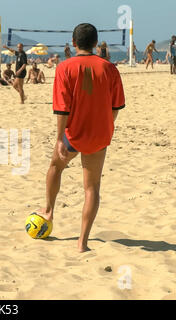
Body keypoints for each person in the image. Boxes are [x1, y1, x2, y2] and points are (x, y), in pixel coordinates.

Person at [36, 23, 125, 253]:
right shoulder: (110, 68)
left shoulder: (64, 68)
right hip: (99, 135)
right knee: (92, 188)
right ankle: (82, 243)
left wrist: (58, 140)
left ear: (73, 43)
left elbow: (62, 109)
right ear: (96, 43)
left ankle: (48, 211)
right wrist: (106, 124)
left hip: (72, 134)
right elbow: (116, 108)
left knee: (55, 167)